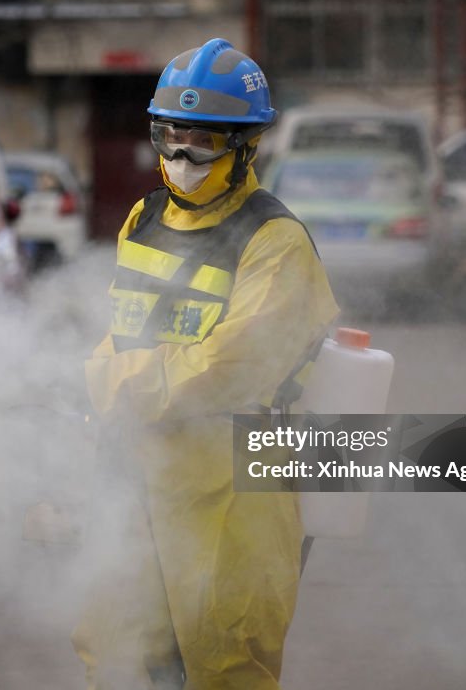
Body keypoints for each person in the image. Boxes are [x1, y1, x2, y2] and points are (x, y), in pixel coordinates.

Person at [72, 38, 339, 689]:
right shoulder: (144, 216)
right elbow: (122, 326)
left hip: (231, 490)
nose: (183, 154)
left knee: (224, 664)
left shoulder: (275, 240)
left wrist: (111, 383)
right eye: (171, 134)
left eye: (205, 139)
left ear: (247, 144)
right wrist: (97, 381)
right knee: (128, 655)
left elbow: (233, 363)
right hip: (137, 472)